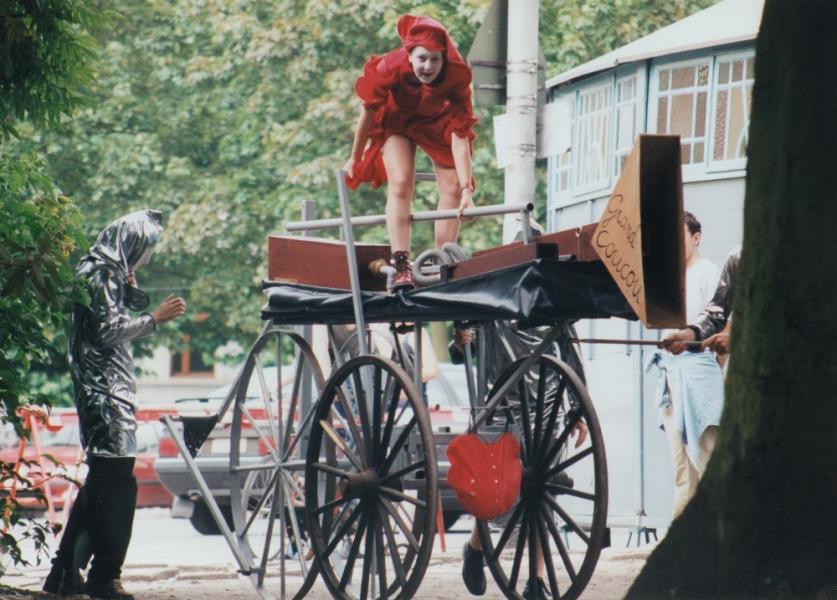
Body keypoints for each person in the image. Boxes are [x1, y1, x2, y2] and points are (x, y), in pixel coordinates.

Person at [43, 210, 186, 599]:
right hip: (106, 393)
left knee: (102, 485)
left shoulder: (99, 270)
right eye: (146, 249)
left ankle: (63, 575)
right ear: (132, 244)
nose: (148, 257)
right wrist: (154, 319)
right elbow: (107, 330)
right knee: (118, 486)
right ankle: (105, 575)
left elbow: (113, 312)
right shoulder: (102, 274)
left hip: (102, 391)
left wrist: (131, 288)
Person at [344, 14, 478, 289]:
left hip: (435, 122)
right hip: (397, 121)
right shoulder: (389, 67)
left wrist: (467, 190)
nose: (428, 66)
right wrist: (354, 158)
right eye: (422, 59)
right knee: (402, 180)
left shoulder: (455, 78)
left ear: (444, 59)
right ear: (409, 56)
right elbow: (367, 114)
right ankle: (402, 264)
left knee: (452, 187)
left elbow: (460, 136)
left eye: (435, 59)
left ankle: (442, 264)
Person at [649, 214, 725, 517]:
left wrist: (715, 375)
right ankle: (682, 543)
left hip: (700, 375)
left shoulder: (709, 272)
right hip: (671, 376)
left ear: (697, 237)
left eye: (679, 238)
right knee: (682, 472)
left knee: (708, 460)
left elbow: (717, 329)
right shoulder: (669, 277)